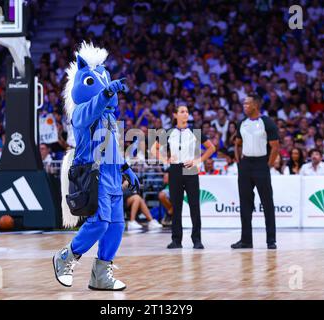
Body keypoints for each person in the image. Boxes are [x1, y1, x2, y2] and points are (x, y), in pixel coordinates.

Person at [53, 43, 139, 291]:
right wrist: (104, 95)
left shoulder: (109, 118)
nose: (106, 88)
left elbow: (112, 147)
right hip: (93, 174)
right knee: (99, 223)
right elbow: (91, 108)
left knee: (116, 225)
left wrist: (125, 167)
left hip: (111, 174)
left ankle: (101, 274)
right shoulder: (79, 112)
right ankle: (66, 257)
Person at [151, 105, 216, 249]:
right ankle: (176, 240)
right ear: (175, 115)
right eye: (182, 112)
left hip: (190, 169)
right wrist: (165, 160)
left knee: (194, 206)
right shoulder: (168, 132)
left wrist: (198, 160)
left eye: (187, 111)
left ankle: (197, 240)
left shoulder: (195, 131)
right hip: (174, 170)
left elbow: (211, 148)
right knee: (177, 206)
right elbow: (153, 148)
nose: (185, 114)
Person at [232, 94, 279, 250]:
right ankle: (246, 240)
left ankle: (270, 240)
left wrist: (268, 165)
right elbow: (237, 143)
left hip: (261, 164)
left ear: (255, 105)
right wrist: (239, 161)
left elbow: (275, 147)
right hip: (245, 165)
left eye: (247, 104)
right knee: (245, 204)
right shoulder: (242, 123)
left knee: (267, 203)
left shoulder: (267, 122)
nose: (244, 106)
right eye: (244, 104)